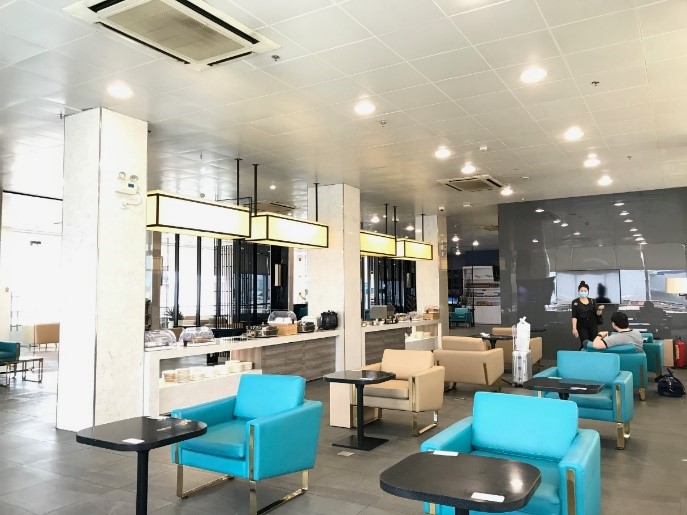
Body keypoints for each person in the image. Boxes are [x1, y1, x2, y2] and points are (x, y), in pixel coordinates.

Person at [571, 281, 604, 348]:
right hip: (581, 325)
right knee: (585, 343)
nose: (583, 292)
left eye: (585, 291)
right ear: (578, 291)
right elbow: (574, 316)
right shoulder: (575, 302)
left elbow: (598, 314)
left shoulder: (592, 301)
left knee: (594, 343)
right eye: (581, 291)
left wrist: (600, 309)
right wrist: (574, 328)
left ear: (588, 291)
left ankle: (593, 354)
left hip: (593, 324)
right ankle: (583, 354)